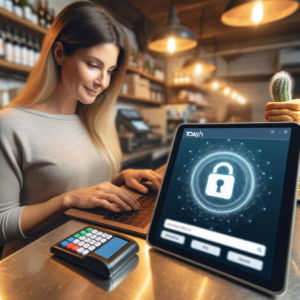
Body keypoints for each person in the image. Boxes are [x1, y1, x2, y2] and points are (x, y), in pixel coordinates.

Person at [0, 1, 162, 259]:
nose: (103, 82)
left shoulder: (93, 119)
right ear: (60, 53)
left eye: (110, 70)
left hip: (94, 252)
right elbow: (2, 223)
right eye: (94, 65)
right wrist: (68, 200)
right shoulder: (9, 124)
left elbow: (85, 185)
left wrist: (120, 179)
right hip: (37, 270)